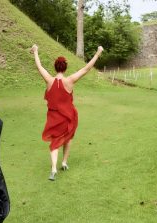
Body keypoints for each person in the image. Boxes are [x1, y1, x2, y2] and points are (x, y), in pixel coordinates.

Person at [31, 45, 104, 180]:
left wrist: (35, 51)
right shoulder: (70, 80)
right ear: (65, 68)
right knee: (68, 137)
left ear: (55, 67)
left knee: (54, 141)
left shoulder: (49, 79)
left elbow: (39, 66)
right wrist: (98, 53)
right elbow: (87, 68)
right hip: (68, 117)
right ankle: (64, 162)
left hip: (53, 118)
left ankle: (54, 168)